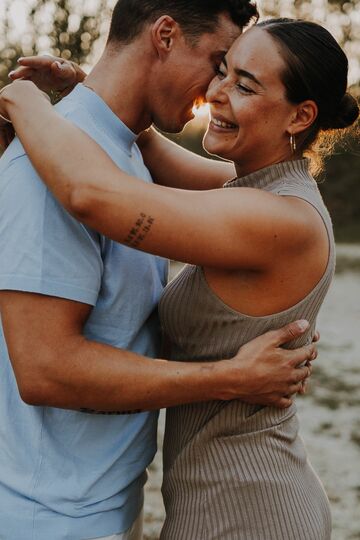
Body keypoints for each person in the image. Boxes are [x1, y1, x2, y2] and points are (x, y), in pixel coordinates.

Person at [2, 16, 359, 540]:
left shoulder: (278, 220)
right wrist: (90, 90)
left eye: (244, 84)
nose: (216, 92)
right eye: (222, 71)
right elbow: (141, 145)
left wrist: (21, 101)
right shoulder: (258, 191)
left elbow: (92, 195)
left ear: (300, 115)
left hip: (249, 508)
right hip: (218, 493)